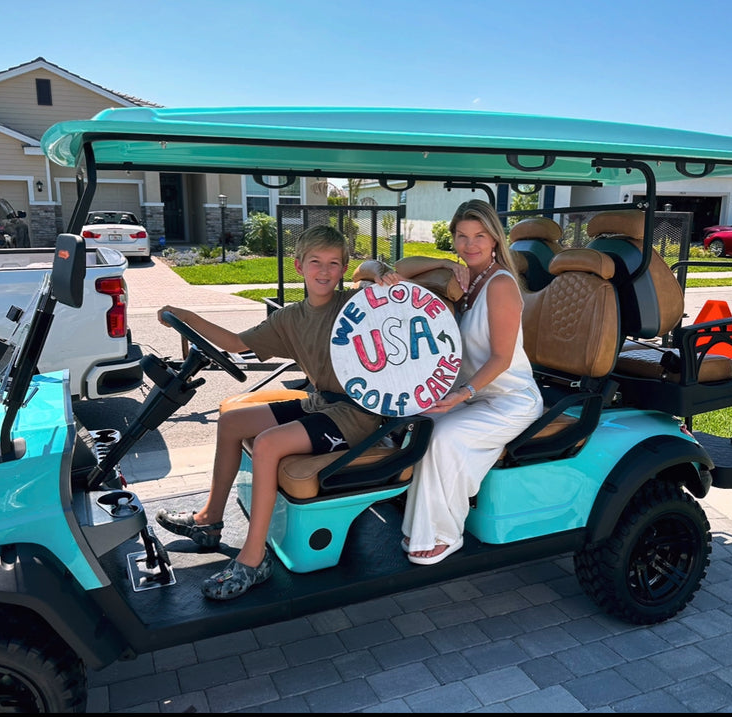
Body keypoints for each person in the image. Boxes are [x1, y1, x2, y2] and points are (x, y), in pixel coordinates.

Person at [153, 225, 392, 600]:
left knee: (267, 444)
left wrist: (379, 270)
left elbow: (373, 272)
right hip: (320, 403)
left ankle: (253, 558)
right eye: (315, 262)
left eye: (334, 263)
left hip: (355, 416)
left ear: (344, 268)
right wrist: (187, 315)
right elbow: (236, 343)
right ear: (299, 266)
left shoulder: (353, 305)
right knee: (232, 422)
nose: (324, 271)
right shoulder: (290, 318)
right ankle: (209, 520)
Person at [372, 199, 544, 565]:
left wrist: (462, 394)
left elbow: (501, 358)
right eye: (462, 236)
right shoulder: (462, 278)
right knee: (417, 424)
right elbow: (399, 268)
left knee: (443, 437)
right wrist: (446, 264)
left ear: (494, 239)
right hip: (472, 394)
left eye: (480, 235)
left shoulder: (500, 284)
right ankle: (417, 523)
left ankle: (445, 534)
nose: (470, 244)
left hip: (509, 397)